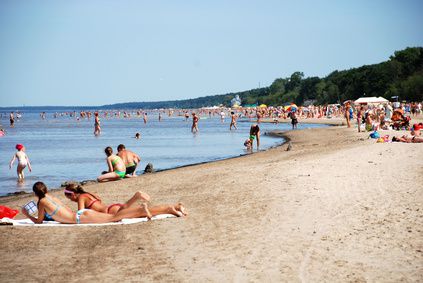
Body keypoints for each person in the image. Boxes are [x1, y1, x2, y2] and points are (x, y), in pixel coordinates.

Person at [21, 182, 186, 224]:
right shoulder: (52, 198)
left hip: (80, 218)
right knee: (124, 214)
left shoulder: (41, 202)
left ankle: (167, 209)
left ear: (36, 194)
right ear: (46, 189)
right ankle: (169, 208)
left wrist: (27, 214)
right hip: (81, 215)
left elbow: (39, 221)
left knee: (120, 216)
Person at [63, 183, 186, 217]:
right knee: (143, 212)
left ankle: (135, 197)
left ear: (73, 194)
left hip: (110, 212)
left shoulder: (81, 197)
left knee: (141, 213)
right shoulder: (89, 194)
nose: (70, 200)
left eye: (69, 197)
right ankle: (174, 207)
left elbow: (80, 214)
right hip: (113, 208)